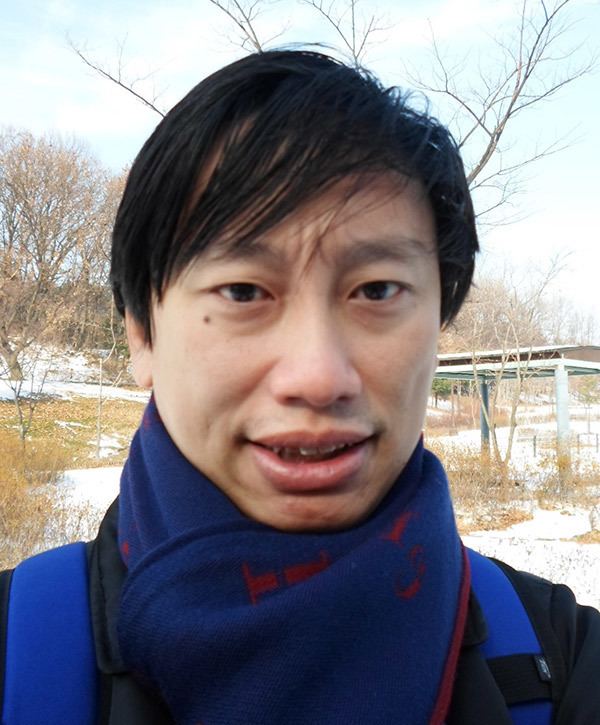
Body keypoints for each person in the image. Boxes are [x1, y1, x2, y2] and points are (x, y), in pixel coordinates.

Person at [3, 49, 600, 724]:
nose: (319, 377)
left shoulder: (560, 660)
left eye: (377, 289)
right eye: (243, 291)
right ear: (142, 333)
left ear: (439, 321)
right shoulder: (20, 653)